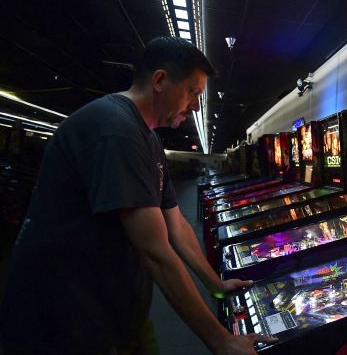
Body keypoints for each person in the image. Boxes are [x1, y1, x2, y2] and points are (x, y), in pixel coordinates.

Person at [0, 37, 276, 354]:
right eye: (193, 92)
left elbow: (176, 224)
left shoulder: (148, 138)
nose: (196, 105)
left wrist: (216, 284)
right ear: (159, 80)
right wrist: (222, 340)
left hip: (114, 303)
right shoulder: (115, 129)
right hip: (65, 316)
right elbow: (156, 251)